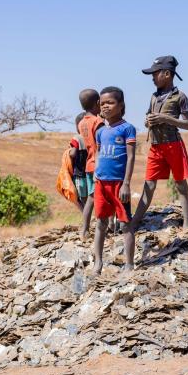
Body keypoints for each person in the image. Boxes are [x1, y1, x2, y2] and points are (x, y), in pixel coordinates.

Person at [131, 55, 188, 232]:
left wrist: (165, 118)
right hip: (156, 146)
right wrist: (148, 121)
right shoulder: (153, 97)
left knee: (180, 184)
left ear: (167, 74)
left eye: (155, 74)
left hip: (173, 145)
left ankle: (187, 222)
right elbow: (146, 119)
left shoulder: (180, 97)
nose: (152, 78)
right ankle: (135, 221)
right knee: (149, 184)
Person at [92, 86, 136, 274]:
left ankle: (129, 264)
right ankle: (98, 262)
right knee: (101, 223)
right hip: (101, 183)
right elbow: (99, 152)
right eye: (102, 104)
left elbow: (131, 157)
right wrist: (96, 173)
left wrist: (126, 183)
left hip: (119, 183)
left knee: (125, 224)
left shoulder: (127, 128)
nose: (105, 107)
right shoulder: (100, 131)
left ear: (121, 105)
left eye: (110, 103)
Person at [76, 89, 104, 240]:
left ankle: (89, 228)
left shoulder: (81, 123)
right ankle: (85, 230)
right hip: (99, 164)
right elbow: (102, 143)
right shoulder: (98, 122)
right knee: (94, 197)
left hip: (89, 164)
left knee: (92, 198)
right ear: (98, 103)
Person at [69, 112, 88, 208]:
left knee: (81, 198)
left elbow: (73, 154)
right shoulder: (91, 137)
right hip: (90, 173)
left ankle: (86, 217)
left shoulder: (77, 138)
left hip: (79, 174)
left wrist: (68, 152)